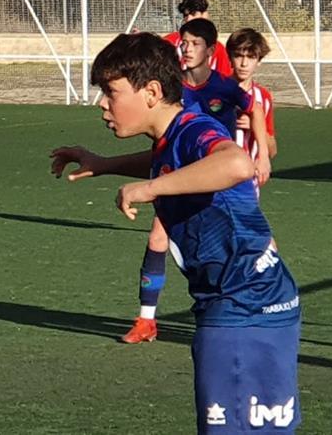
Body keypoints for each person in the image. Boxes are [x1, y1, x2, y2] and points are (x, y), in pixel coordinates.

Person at [50, 33, 300, 433]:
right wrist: (105, 164)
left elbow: (237, 164)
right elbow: (163, 159)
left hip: (244, 307)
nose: (102, 103)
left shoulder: (195, 129)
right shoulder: (174, 135)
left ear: (151, 92)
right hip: (254, 300)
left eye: (111, 92)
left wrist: (150, 189)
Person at [119, 17, 271, 344]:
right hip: (178, 176)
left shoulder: (224, 86)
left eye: (195, 44)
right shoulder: (175, 87)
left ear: (210, 50)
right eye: (184, 43)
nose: (187, 49)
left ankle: (258, 308)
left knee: (248, 243)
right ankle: (146, 319)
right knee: (158, 238)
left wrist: (263, 156)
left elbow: (256, 110)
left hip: (219, 179)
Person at [227, 28, 278, 162]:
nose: (244, 64)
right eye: (238, 56)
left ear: (259, 61)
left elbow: (272, 150)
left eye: (251, 57)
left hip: (252, 172)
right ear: (230, 57)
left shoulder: (264, 97)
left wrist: (255, 126)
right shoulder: (216, 91)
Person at [162, 0, 233, 78]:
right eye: (185, 15)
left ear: (204, 15)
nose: (188, 19)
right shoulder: (170, 41)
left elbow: (225, 77)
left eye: (193, 14)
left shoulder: (217, 48)